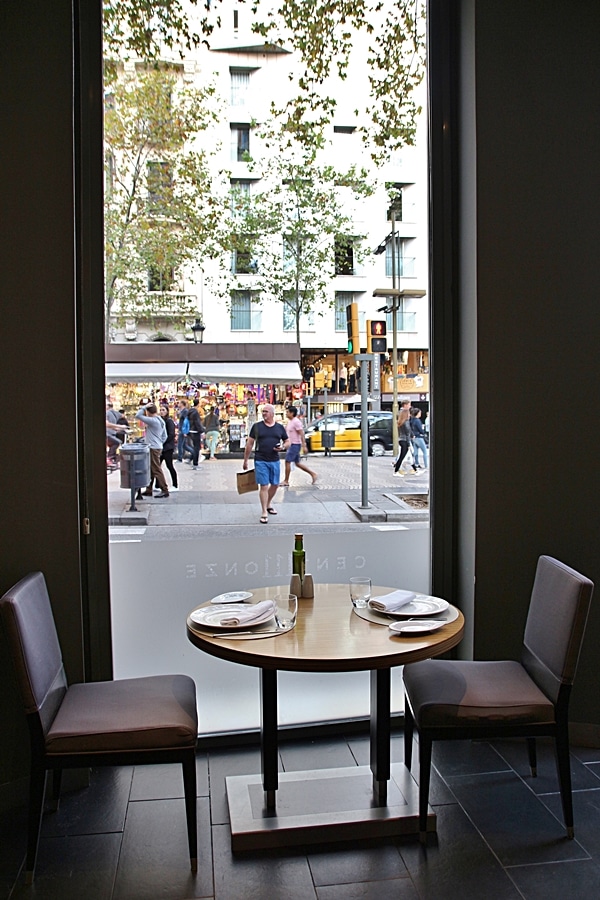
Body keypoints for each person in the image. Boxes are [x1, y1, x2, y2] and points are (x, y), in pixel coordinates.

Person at [242, 404, 289, 523]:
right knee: (263, 485)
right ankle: (264, 511)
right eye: (263, 412)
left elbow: (287, 441)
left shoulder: (279, 428)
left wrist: (283, 447)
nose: (264, 414)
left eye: (266, 411)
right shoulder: (257, 427)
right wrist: (245, 460)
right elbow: (250, 444)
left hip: (274, 460)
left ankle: (268, 504)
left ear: (272, 414)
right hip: (260, 460)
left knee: (275, 484)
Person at [135, 403, 170, 498]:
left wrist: (144, 407)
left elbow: (138, 415)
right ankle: (149, 489)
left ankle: (164, 489)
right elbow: (165, 436)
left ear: (148, 412)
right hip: (157, 446)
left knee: (156, 469)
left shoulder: (152, 420)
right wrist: (159, 442)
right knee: (151, 469)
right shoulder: (160, 420)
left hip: (153, 447)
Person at [281, 407, 317, 486]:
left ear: (292, 413)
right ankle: (313, 474)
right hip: (291, 445)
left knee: (287, 461)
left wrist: (304, 446)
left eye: (287, 412)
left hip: (295, 445)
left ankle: (286, 481)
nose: (286, 413)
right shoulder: (290, 422)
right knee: (297, 463)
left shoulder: (296, 422)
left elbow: (301, 433)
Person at [151, 404, 178, 491]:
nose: (162, 412)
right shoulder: (159, 420)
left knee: (169, 465)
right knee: (157, 466)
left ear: (167, 411)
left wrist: (163, 442)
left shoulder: (169, 421)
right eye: (161, 410)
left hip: (167, 448)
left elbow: (171, 434)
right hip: (161, 447)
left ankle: (175, 485)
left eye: (163, 410)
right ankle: (157, 485)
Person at [393, 408, 412, 476]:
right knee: (402, 457)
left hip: (401, 439)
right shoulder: (406, 422)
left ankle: (397, 470)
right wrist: (409, 443)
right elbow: (407, 434)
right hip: (404, 440)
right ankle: (396, 471)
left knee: (402, 456)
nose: (410, 415)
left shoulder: (400, 422)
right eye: (409, 413)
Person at [187, 399, 205, 469]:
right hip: (195, 431)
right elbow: (197, 422)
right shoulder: (195, 412)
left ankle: (190, 458)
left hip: (191, 430)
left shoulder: (190, 411)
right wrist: (202, 431)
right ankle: (195, 463)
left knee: (195, 447)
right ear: (198, 404)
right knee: (197, 448)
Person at [410, 407, 428, 471]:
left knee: (416, 452)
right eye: (420, 413)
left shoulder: (412, 420)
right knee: (425, 451)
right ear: (417, 413)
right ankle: (426, 465)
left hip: (414, 437)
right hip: (419, 437)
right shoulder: (418, 421)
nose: (421, 414)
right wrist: (423, 432)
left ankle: (416, 463)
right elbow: (420, 429)